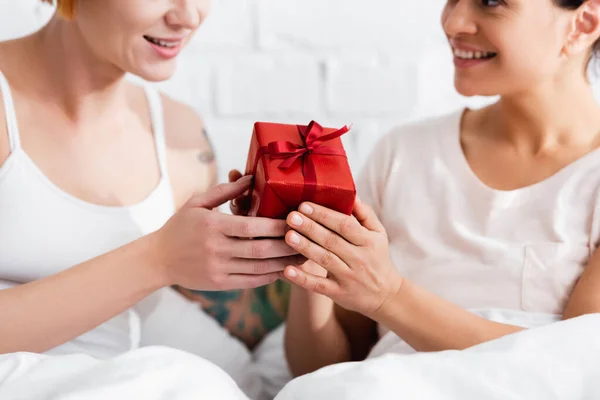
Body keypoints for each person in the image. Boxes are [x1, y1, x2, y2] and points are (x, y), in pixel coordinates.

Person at [277, 0, 600, 376]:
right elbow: (321, 371)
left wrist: (390, 296)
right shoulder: (402, 153)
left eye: (491, 2)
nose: (453, 21)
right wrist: (309, 267)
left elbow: (578, 368)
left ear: (583, 23)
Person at [0, 0, 303, 397]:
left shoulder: (182, 139)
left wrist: (301, 254)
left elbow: (191, 301)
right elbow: (160, 264)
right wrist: (157, 259)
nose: (188, 17)